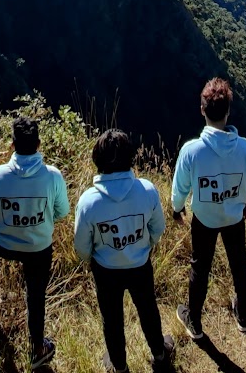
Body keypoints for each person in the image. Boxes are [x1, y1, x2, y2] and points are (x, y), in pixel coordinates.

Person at [0, 117, 70, 369]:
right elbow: (62, 212)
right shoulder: (53, 176)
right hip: (39, 248)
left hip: (5, 243)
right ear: (38, 144)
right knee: (36, 296)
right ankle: (37, 349)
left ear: (12, 145)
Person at [75, 129, 176, 373]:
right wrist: (143, 246)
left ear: (97, 160)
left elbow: (81, 245)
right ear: (131, 158)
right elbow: (158, 228)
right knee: (148, 309)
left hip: (106, 269)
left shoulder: (89, 202)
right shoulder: (147, 190)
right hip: (140, 264)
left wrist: (95, 259)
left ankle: (119, 366)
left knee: (112, 320)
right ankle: (160, 354)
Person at [170, 77, 246, 339]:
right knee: (239, 265)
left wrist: (177, 209)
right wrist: (245, 205)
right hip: (234, 215)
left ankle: (195, 321)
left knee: (200, 267)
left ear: (202, 109)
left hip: (204, 218)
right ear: (228, 111)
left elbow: (180, 187)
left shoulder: (192, 151)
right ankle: (243, 315)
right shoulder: (245, 148)